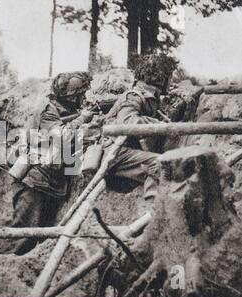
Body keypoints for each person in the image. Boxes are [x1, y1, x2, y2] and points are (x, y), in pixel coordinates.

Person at [10, 72, 94, 255]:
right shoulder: (48, 110)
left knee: (42, 241)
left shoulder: (66, 111)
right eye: (81, 95)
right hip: (34, 183)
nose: (84, 98)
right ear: (72, 96)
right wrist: (82, 120)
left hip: (52, 185)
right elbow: (62, 137)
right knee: (22, 239)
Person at [101, 53, 178, 202]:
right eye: (170, 76)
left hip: (126, 152)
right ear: (161, 78)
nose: (171, 81)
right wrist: (157, 124)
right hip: (116, 152)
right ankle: (152, 208)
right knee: (162, 163)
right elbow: (127, 122)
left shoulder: (149, 96)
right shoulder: (134, 96)